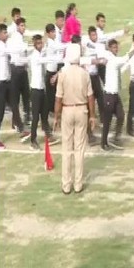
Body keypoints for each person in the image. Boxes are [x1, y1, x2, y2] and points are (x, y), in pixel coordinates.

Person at [53, 43, 96, 195]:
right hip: (82, 110)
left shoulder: (63, 73)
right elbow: (91, 97)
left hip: (67, 109)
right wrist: (92, 115)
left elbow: (58, 98)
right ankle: (78, 184)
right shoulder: (84, 74)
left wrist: (56, 117)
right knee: (79, 149)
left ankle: (66, 184)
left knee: (66, 148)